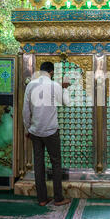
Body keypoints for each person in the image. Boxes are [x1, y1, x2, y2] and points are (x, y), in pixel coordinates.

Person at [22, 62, 71, 207]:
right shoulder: (55, 85)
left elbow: (26, 110)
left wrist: (28, 128)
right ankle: (58, 198)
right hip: (50, 131)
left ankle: (42, 199)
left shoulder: (31, 85)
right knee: (56, 163)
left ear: (41, 71)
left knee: (38, 163)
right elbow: (66, 103)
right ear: (52, 72)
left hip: (35, 131)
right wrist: (65, 88)